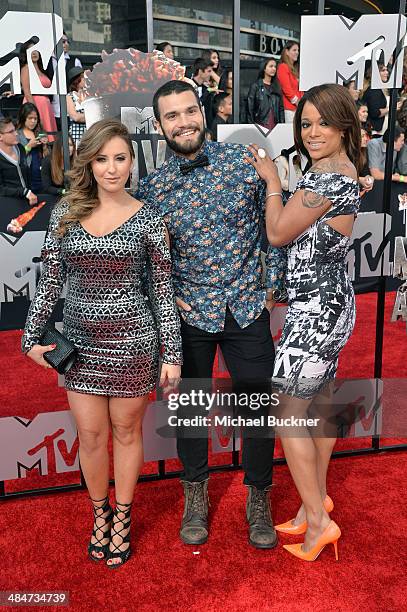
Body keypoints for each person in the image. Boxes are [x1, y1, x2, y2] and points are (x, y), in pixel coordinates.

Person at [22, 118, 182, 568]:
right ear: (88, 163)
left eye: (120, 158)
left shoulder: (150, 219)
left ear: (132, 162)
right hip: (78, 345)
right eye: (102, 159)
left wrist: (172, 354)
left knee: (126, 433)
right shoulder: (65, 214)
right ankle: (100, 515)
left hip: (133, 342)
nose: (112, 168)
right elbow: (49, 285)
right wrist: (30, 338)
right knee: (90, 437)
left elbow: (162, 293)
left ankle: (124, 518)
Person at [137, 80, 286, 549]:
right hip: (190, 315)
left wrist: (271, 286)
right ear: (159, 126)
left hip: (246, 309)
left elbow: (273, 224)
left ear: (202, 112)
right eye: (171, 116)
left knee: (259, 409)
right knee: (190, 412)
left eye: (188, 111)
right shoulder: (152, 189)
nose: (183, 122)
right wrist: (163, 297)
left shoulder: (242, 163)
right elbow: (142, 255)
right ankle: (195, 495)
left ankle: (258, 497)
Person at [246, 83, 362, 562]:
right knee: (320, 407)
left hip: (316, 313)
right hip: (332, 305)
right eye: (306, 123)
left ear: (344, 127)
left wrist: (272, 179)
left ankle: (318, 523)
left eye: (323, 124)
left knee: (289, 415)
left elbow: (276, 232)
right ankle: (311, 503)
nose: (312, 133)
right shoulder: (341, 171)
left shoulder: (329, 179)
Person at [20, 41, 57, 142]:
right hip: (34, 104)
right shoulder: (26, 68)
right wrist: (35, 111)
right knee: (39, 136)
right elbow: (27, 92)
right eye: (31, 50)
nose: (34, 53)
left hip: (46, 106)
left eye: (36, 50)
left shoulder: (42, 68)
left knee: (49, 138)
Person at [47, 31, 83, 130]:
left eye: (67, 42)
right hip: (51, 110)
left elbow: (81, 86)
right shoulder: (47, 62)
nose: (66, 44)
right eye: (63, 41)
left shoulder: (75, 61)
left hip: (71, 110)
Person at [0, 116, 37, 205]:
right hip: (8, 205)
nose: (16, 133)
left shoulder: (20, 148)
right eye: (11, 131)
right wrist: (24, 192)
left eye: (15, 130)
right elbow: (1, 189)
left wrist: (29, 192)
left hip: (28, 202)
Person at [17, 102, 49, 193]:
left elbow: (47, 157)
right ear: (23, 118)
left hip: (42, 174)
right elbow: (17, 157)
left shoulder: (40, 132)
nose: (33, 121)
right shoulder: (17, 134)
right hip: (28, 175)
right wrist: (29, 146)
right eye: (30, 118)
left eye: (35, 118)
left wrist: (45, 146)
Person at [247, 58, 285, 129]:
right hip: (260, 124)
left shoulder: (277, 86)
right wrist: (251, 127)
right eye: (271, 66)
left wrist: (282, 127)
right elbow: (250, 108)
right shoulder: (256, 86)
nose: (273, 68)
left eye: (275, 67)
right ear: (264, 68)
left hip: (275, 125)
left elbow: (281, 109)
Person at [277, 41, 302, 122]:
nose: (297, 53)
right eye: (294, 50)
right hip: (289, 109)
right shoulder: (283, 67)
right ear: (287, 52)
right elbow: (287, 89)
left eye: (298, 50)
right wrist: (298, 102)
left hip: (297, 109)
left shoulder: (295, 69)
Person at [66, 66, 86, 147]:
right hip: (76, 135)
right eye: (84, 78)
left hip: (89, 133)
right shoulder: (69, 96)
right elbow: (75, 117)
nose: (87, 79)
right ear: (77, 80)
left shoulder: (89, 95)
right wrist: (90, 116)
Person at [359, 127, 374, 192]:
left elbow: (366, 172)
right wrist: (359, 179)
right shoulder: (345, 152)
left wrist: (369, 178)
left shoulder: (364, 151)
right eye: (362, 136)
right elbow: (343, 175)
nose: (366, 139)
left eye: (366, 136)